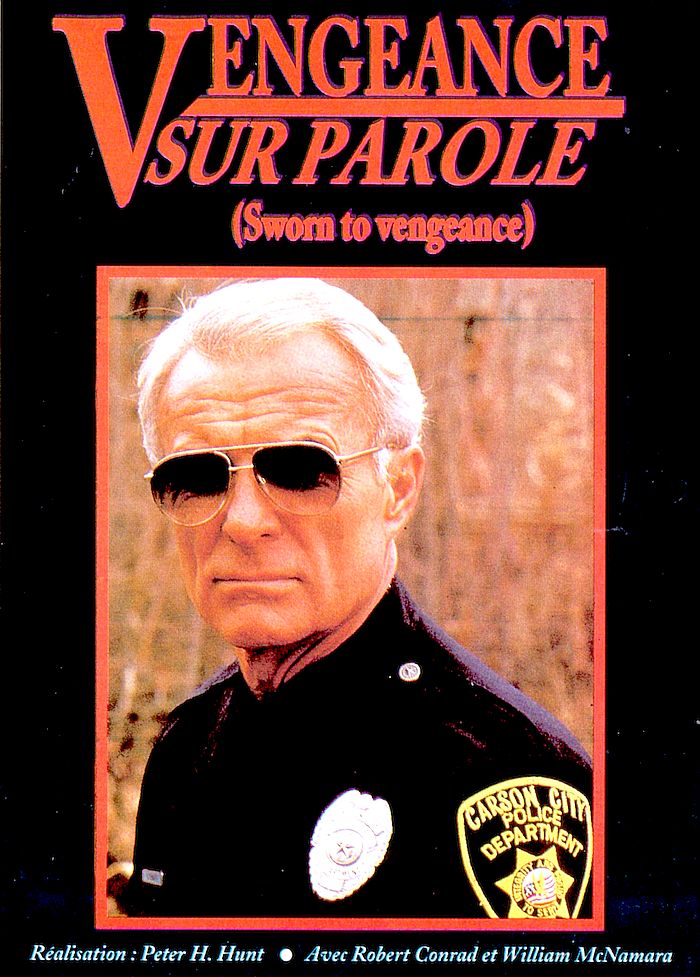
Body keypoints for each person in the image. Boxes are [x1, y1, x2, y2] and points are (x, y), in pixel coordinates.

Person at [126, 278, 592, 919]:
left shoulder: (505, 775)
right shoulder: (186, 750)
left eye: (300, 470)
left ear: (398, 490)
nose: (242, 522)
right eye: (196, 476)